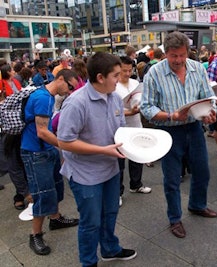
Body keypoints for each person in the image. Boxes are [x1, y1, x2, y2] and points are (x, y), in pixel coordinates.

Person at [57, 53, 137, 266]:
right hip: (85, 174)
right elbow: (64, 142)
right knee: (90, 222)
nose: (120, 79)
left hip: (110, 168)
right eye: (116, 75)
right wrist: (102, 150)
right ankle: (89, 262)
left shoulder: (114, 97)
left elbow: (120, 131)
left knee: (110, 213)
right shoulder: (76, 103)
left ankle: (110, 249)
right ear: (100, 77)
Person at [141, 31, 217, 239]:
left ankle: (197, 205)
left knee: (202, 171)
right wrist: (171, 115)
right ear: (166, 54)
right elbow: (146, 107)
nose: (179, 60)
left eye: (182, 55)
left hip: (194, 127)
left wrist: (210, 113)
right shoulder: (154, 73)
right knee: (172, 178)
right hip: (169, 129)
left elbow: (207, 96)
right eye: (174, 56)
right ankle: (175, 218)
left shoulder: (196, 68)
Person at [20, 69, 80, 256]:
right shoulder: (43, 98)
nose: (70, 91)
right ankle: (35, 235)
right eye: (70, 86)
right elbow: (42, 132)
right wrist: (65, 146)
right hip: (35, 153)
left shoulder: (46, 95)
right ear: (60, 79)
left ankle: (55, 218)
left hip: (46, 150)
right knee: (43, 194)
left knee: (55, 187)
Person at [116, 56, 152, 207]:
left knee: (137, 156)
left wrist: (139, 107)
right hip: (120, 128)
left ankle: (136, 184)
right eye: (124, 70)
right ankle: (117, 192)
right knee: (119, 162)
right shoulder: (113, 86)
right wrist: (129, 112)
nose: (127, 73)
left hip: (135, 125)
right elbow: (111, 111)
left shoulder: (135, 83)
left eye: (129, 70)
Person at [0, 63, 30, 210]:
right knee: (14, 164)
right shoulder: (2, 84)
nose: (13, 71)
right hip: (9, 129)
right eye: (11, 70)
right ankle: (22, 193)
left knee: (22, 161)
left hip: (19, 124)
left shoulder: (15, 82)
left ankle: (22, 193)